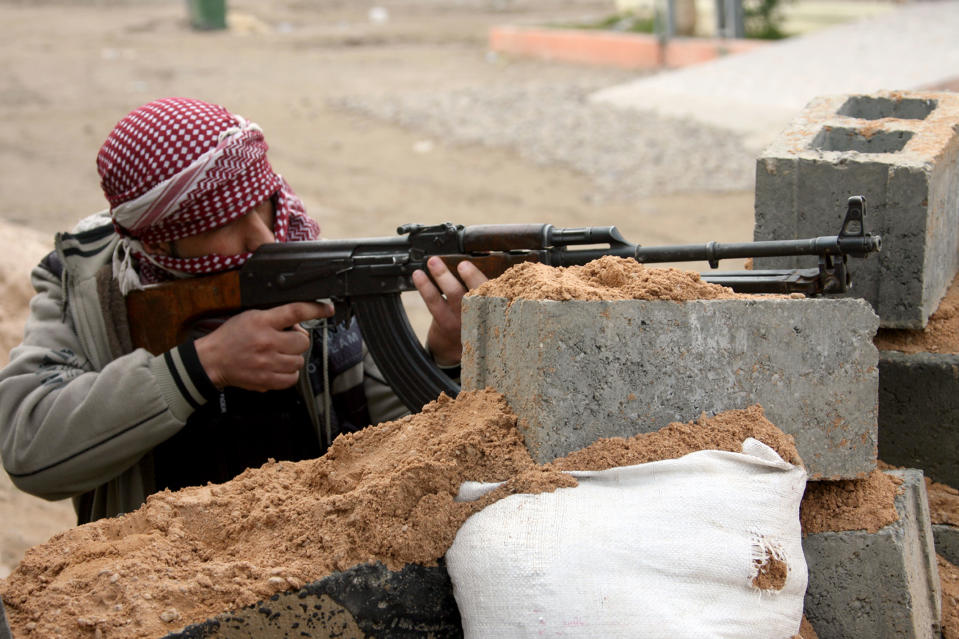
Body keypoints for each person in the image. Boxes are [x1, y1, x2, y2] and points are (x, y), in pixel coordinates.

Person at [0, 97, 486, 524]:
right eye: (226, 221)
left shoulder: (304, 259)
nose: (264, 237)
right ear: (159, 237)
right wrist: (204, 365)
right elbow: (30, 449)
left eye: (264, 204)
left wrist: (442, 358)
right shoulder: (88, 284)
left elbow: (382, 435)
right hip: (156, 573)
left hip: (309, 550)